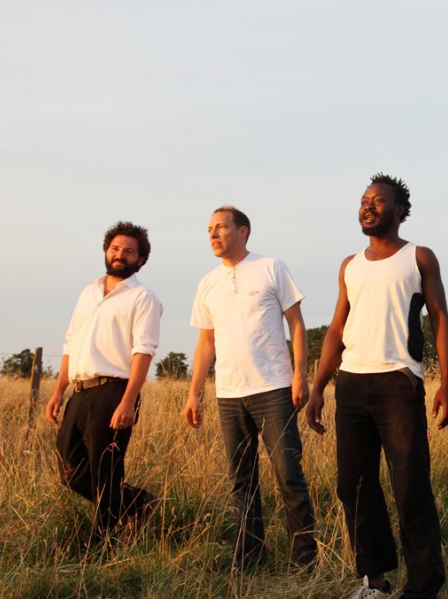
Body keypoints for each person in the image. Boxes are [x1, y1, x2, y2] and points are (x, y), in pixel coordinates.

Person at [306, 173, 448, 599]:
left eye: (379, 200)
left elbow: (440, 320)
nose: (368, 206)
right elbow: (337, 329)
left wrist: (447, 384)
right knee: (352, 486)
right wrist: (319, 388)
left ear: (400, 210)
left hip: (398, 383)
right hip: (351, 384)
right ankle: (374, 581)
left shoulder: (418, 257)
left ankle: (425, 584)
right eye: (364, 200)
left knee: (410, 486)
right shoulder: (349, 266)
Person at [182, 205, 317, 572]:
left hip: (273, 388)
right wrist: (195, 392)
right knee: (241, 481)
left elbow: (297, 324)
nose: (212, 234)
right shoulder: (207, 283)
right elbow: (206, 343)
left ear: (243, 232)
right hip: (228, 395)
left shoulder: (271, 267)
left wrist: (300, 375)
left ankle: (306, 561)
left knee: (289, 475)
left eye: (221, 227)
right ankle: (249, 559)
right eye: (209, 228)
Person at [45, 221, 162, 550]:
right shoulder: (89, 293)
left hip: (114, 391)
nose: (120, 255)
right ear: (106, 251)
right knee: (71, 468)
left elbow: (143, 351)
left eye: (129, 251)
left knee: (106, 469)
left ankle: (99, 546)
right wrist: (58, 391)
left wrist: (128, 400)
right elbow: (71, 344)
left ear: (140, 259)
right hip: (80, 391)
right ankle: (138, 503)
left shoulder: (143, 298)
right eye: (115, 248)